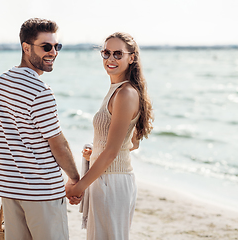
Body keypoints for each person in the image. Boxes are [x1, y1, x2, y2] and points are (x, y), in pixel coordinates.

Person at [0, 18, 81, 240]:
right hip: (42, 190)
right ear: (26, 47)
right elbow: (57, 143)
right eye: (46, 47)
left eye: (56, 46)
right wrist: (75, 178)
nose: (53, 52)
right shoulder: (40, 92)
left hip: (10, 188)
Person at [66, 32, 154, 240]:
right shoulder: (118, 90)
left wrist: (78, 187)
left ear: (131, 58)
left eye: (117, 54)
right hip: (106, 178)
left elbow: (113, 152)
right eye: (106, 53)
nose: (110, 59)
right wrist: (95, 152)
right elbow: (131, 144)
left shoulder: (126, 93)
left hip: (112, 182)